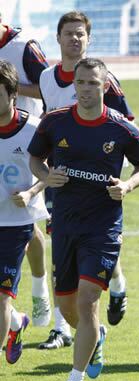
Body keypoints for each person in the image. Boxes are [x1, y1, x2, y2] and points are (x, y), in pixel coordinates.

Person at [28, 58, 139, 381]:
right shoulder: (54, 123)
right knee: (68, 305)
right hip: (66, 225)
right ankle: (95, 338)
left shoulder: (120, 128)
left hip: (103, 227)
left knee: (87, 300)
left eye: (93, 84)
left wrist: (127, 186)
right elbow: (36, 159)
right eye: (80, 83)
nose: (85, 90)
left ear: (106, 86)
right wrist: (44, 176)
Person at [38, 11, 135, 350]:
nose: (74, 39)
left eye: (80, 34)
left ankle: (117, 284)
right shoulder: (48, 78)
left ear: (88, 39)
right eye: (68, 33)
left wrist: (118, 175)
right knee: (62, 247)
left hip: (97, 179)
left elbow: (126, 125)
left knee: (93, 243)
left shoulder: (105, 79)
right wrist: (45, 175)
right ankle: (63, 329)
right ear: (58, 38)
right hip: (61, 179)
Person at [0, 13, 51, 328]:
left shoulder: (23, 47)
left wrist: (13, 90)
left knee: (31, 228)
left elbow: (50, 87)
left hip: (26, 153)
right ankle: (16, 322)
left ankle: (41, 292)